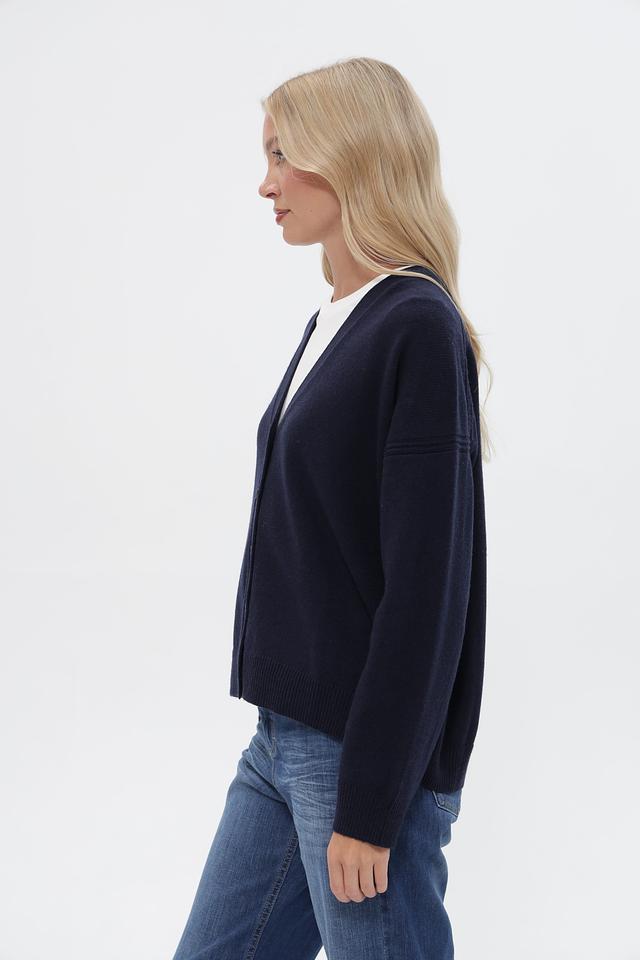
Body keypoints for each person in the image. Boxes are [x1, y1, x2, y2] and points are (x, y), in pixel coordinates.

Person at [171, 56, 492, 960]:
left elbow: (426, 594)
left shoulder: (415, 325)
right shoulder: (334, 322)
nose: (266, 183)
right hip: (282, 740)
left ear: (348, 155)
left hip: (356, 756)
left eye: (283, 154)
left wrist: (372, 803)